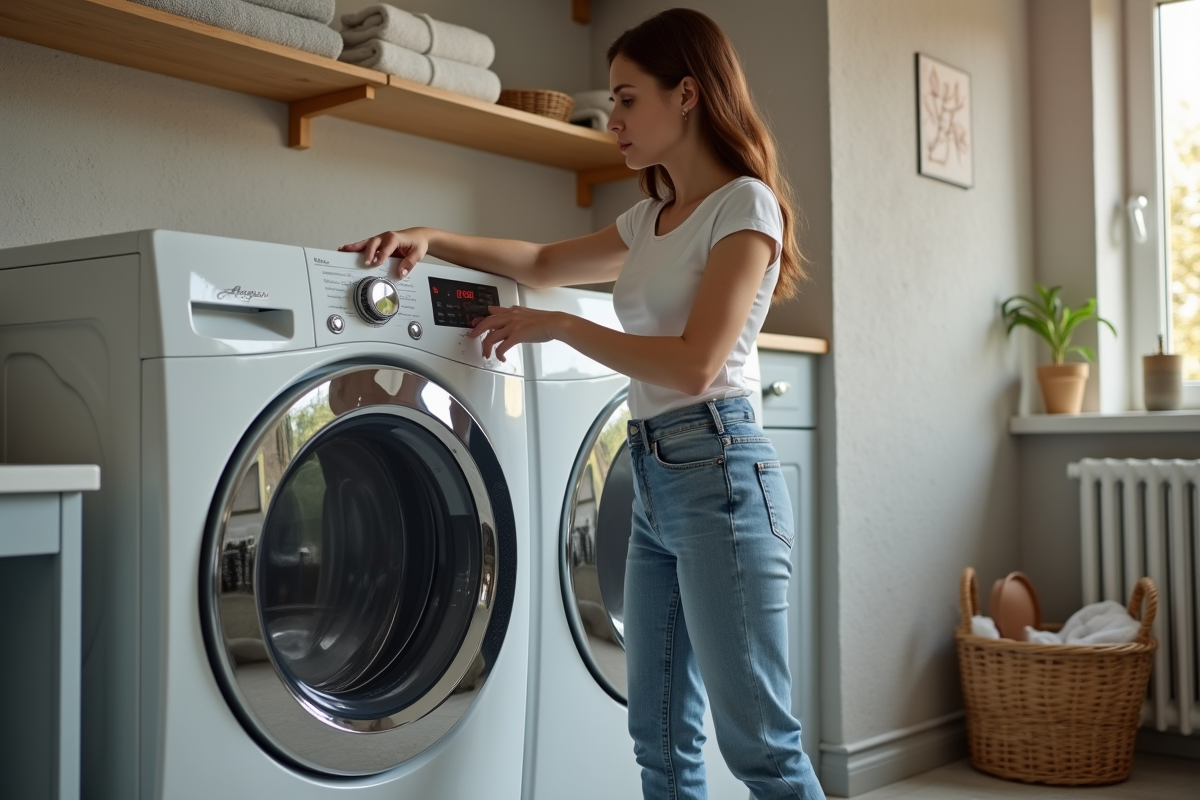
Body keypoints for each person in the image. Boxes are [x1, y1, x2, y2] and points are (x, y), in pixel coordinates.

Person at [340, 8, 825, 799]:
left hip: (724, 477)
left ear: (689, 95)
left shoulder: (745, 206)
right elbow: (539, 258)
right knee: (660, 740)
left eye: (629, 99)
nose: (616, 122)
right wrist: (432, 233)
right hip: (655, 478)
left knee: (761, 749)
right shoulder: (651, 218)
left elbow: (698, 365)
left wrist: (560, 326)